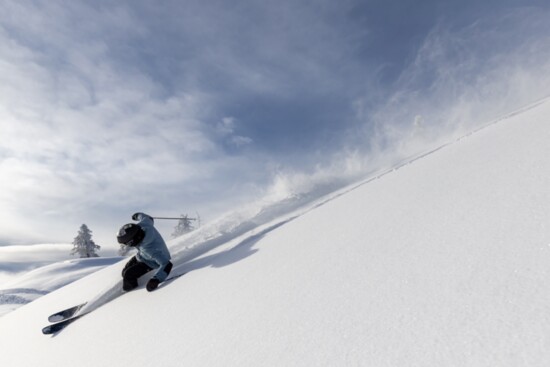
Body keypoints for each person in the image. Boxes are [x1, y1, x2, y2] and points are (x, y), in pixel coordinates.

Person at [117, 212, 173, 292]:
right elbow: (148, 217)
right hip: (142, 256)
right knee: (124, 272)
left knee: (128, 274)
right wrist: (137, 215)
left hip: (151, 262)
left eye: (127, 243)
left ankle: (131, 292)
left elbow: (167, 264)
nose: (127, 245)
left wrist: (155, 280)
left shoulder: (150, 249)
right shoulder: (144, 225)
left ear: (133, 241)